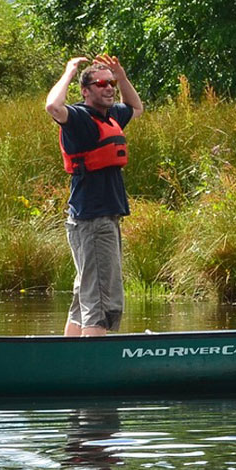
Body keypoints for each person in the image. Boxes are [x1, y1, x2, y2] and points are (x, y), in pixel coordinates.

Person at [44, 54, 144, 336]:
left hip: (97, 219)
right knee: (102, 301)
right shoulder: (79, 118)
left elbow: (136, 107)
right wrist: (69, 71)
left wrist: (121, 75)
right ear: (86, 91)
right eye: (101, 84)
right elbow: (52, 105)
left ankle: (68, 361)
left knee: (85, 296)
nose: (109, 88)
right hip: (93, 220)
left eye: (110, 83)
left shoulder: (111, 116)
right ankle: (91, 369)